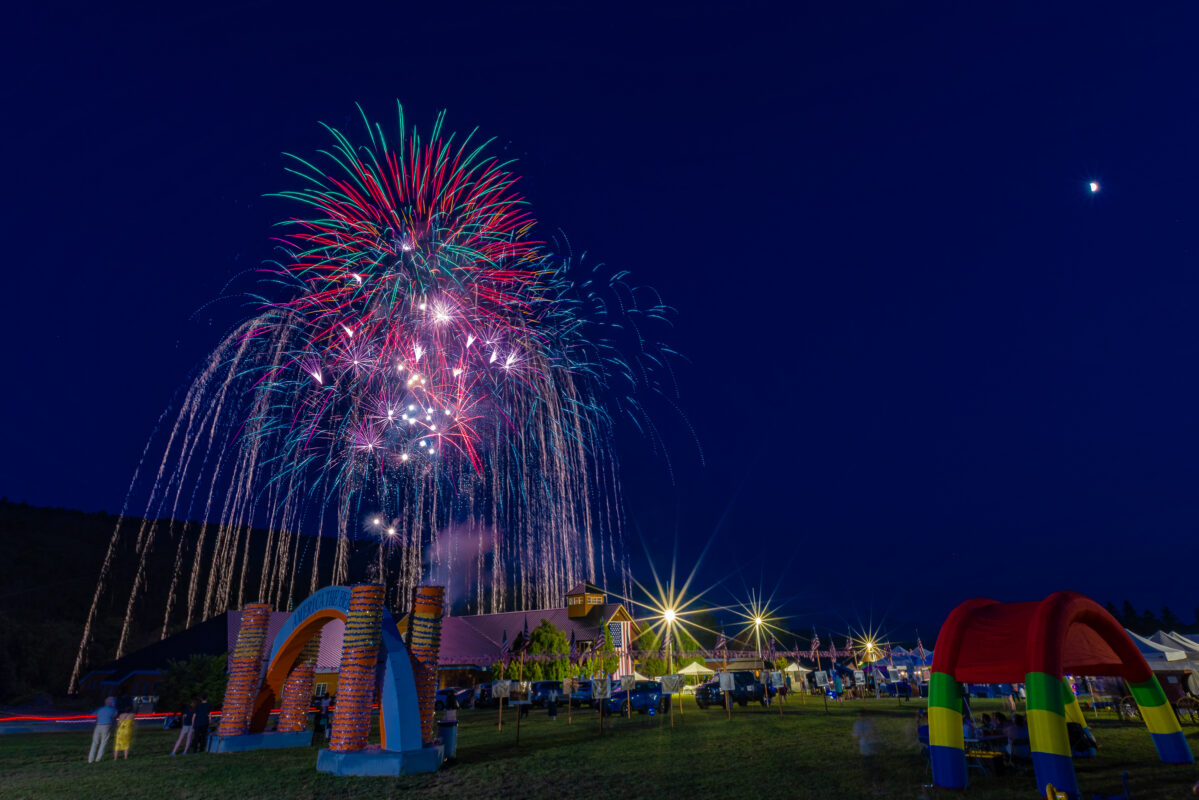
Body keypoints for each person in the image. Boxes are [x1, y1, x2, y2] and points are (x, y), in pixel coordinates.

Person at [852, 711, 880, 792]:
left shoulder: (858, 724)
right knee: (872, 762)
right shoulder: (870, 723)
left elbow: (856, 735)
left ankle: (871, 783)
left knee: (867, 764)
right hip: (871, 745)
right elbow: (875, 733)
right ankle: (875, 781)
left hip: (864, 746)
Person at [88, 697, 118, 763]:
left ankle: (90, 759)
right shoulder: (113, 709)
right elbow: (114, 717)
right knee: (103, 742)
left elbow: (92, 715)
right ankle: (98, 759)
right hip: (106, 726)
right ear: (111, 702)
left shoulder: (100, 709)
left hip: (98, 726)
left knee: (95, 742)